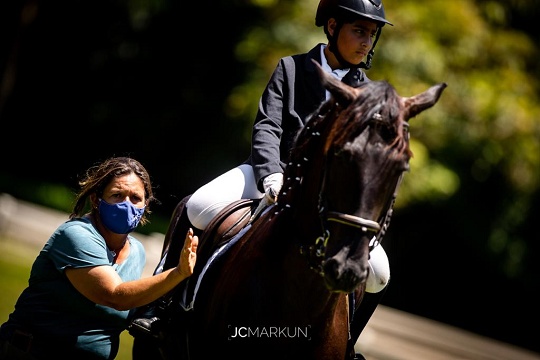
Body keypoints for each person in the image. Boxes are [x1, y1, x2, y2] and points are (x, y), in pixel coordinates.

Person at [133, 0, 392, 353]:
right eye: (359, 30)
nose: (366, 41)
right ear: (332, 27)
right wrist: (271, 174)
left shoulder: (368, 96)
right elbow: (268, 126)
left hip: (328, 198)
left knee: (378, 273)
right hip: (269, 172)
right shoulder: (291, 68)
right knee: (195, 206)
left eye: (372, 34)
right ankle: (161, 307)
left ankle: (348, 345)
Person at [0, 156, 198, 360]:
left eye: (135, 198)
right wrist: (178, 273)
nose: (126, 204)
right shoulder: (77, 234)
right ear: (96, 199)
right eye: (117, 195)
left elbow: (134, 300)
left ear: (145, 205)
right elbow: (114, 296)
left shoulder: (136, 250)